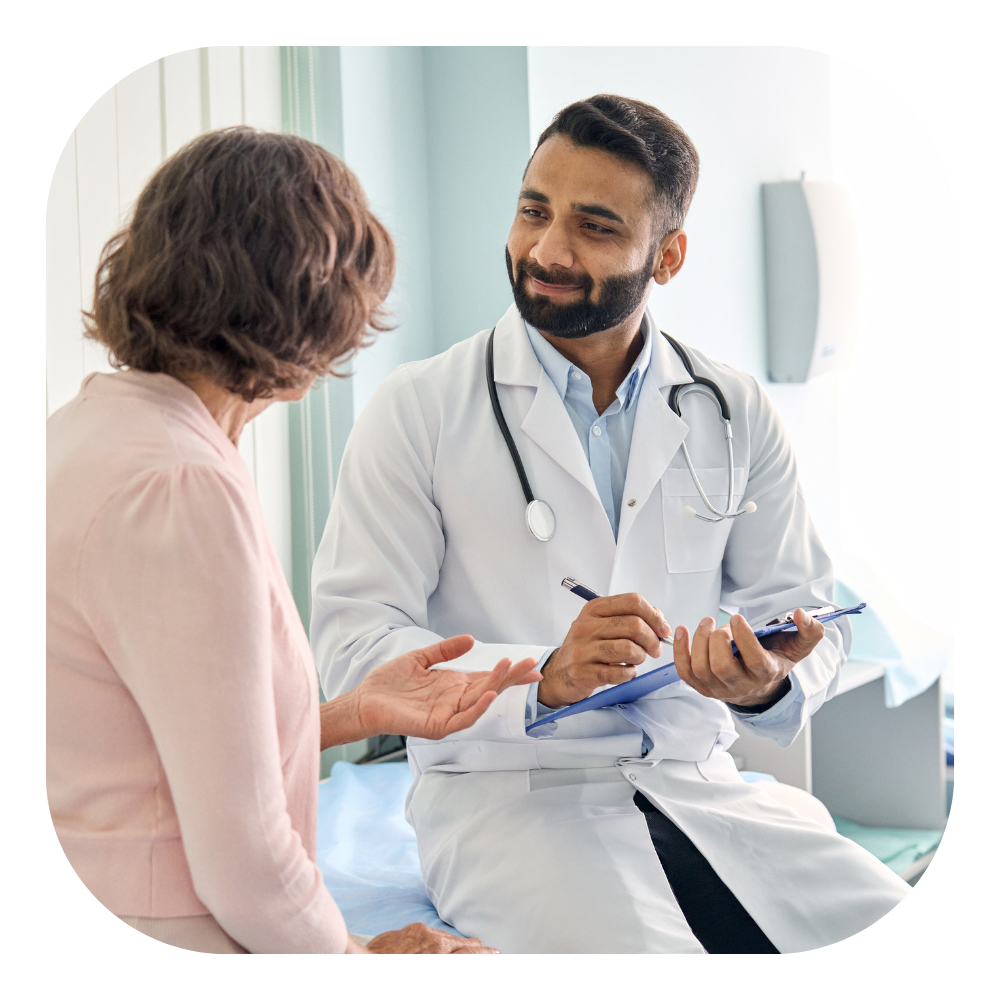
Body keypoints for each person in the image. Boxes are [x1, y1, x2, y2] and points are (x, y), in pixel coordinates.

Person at [311, 95, 911, 954]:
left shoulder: (732, 408)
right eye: (533, 211)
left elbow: (808, 613)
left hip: (695, 779)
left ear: (666, 257)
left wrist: (764, 684)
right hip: (506, 799)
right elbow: (353, 645)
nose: (547, 251)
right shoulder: (418, 411)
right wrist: (541, 676)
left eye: (594, 226)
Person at [46, 127, 541, 955]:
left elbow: (161, 746)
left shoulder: (88, 431)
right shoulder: (180, 486)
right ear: (311, 312)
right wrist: (359, 961)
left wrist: (353, 713)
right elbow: (245, 862)